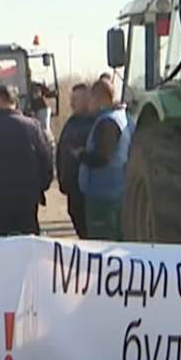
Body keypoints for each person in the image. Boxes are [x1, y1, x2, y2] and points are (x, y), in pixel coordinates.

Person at [0, 84, 54, 236]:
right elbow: (45, 163)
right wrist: (38, 189)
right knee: (24, 249)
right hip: (24, 202)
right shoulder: (33, 127)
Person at [77, 78, 131, 240]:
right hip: (115, 192)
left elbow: (103, 157)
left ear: (100, 100)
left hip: (104, 196)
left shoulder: (108, 121)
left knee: (103, 242)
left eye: (91, 100)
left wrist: (80, 154)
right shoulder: (122, 117)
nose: (89, 105)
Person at [56, 83, 95, 239]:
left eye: (76, 99)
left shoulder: (96, 123)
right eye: (71, 99)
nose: (72, 103)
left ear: (88, 99)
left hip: (87, 190)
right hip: (72, 188)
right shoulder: (72, 122)